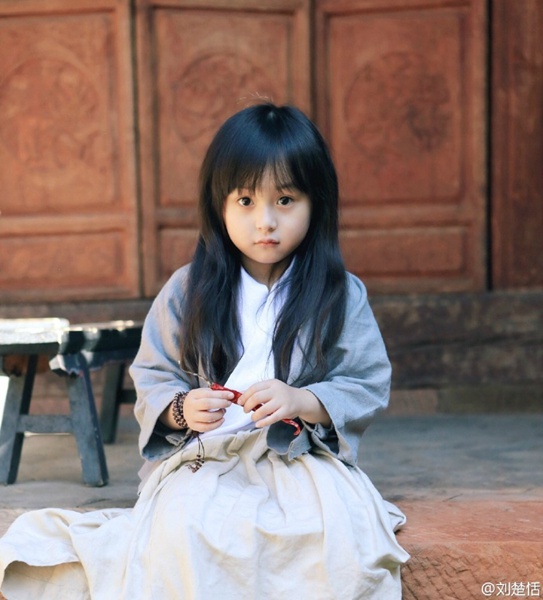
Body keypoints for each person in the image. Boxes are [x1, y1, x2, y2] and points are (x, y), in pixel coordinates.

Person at [0, 102, 409, 599]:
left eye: (285, 200)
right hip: (203, 457)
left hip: (298, 456)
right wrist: (181, 408)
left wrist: (301, 401)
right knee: (185, 531)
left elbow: (364, 381)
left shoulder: (339, 293)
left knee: (335, 536)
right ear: (218, 206)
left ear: (315, 203)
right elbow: (153, 373)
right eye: (244, 201)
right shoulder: (186, 290)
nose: (266, 222)